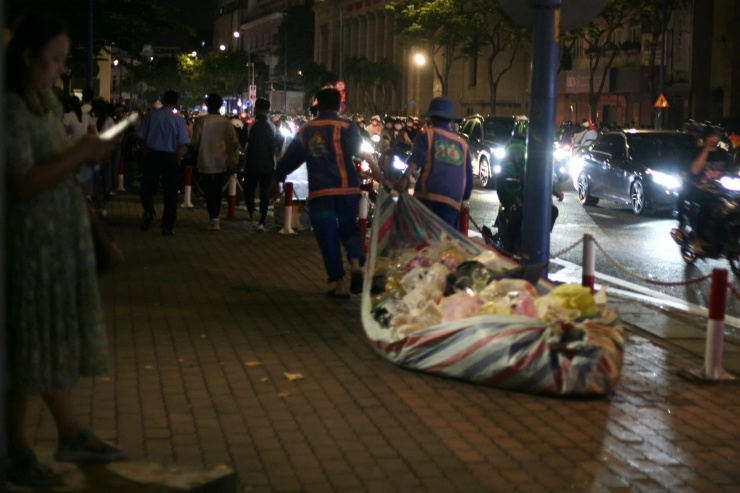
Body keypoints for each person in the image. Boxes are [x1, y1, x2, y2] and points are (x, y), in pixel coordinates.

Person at [4, 12, 124, 488]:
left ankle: (68, 431)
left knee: (43, 341)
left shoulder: (46, 103)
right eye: (55, 60)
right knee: (24, 345)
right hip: (25, 248)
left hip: (57, 248)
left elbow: (65, 177)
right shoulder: (10, 109)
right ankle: (17, 447)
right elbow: (20, 182)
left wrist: (97, 234)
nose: (60, 69)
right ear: (29, 57)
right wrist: (79, 154)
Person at [271, 88, 382, 298]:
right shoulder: (347, 126)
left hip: (321, 193)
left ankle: (339, 285)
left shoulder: (307, 130)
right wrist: (376, 171)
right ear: (339, 106)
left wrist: (277, 177)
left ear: (318, 106)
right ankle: (357, 264)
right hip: (347, 189)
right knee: (350, 229)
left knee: (328, 236)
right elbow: (362, 151)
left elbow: (291, 159)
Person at [393, 97, 474, 228]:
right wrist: (462, 198)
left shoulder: (427, 135)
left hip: (428, 198)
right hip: (452, 203)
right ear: (450, 120)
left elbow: (416, 160)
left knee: (422, 239)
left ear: (432, 118)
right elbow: (468, 181)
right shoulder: (462, 144)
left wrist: (404, 178)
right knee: (446, 242)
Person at [495, 124, 564, 253]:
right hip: (515, 191)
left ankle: (513, 242)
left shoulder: (510, 146)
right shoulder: (521, 149)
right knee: (550, 210)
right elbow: (532, 172)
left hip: (507, 191)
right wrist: (554, 190)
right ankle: (532, 242)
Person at [136, 90, 190, 236]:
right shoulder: (178, 120)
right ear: (176, 103)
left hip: (153, 155)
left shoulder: (152, 116)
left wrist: (145, 153)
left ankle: (149, 211)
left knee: (147, 188)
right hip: (170, 157)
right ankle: (167, 225)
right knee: (170, 193)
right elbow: (181, 144)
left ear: (163, 100)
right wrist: (178, 159)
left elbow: (141, 138)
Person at [191, 93, 241, 231]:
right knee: (218, 189)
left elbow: (195, 142)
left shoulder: (201, 121)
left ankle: (213, 217)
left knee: (208, 190)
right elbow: (233, 143)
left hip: (205, 159)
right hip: (222, 160)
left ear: (207, 105)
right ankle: (216, 217)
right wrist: (233, 160)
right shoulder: (226, 122)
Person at [685, 125, 733, 256]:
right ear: (706, 137)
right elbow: (694, 170)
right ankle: (699, 238)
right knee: (707, 204)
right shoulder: (697, 151)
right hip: (701, 188)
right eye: (712, 136)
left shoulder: (723, 154)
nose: (715, 139)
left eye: (717, 136)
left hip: (720, 187)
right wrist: (706, 150)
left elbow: (730, 171)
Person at [244, 98, 285, 231]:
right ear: (268, 111)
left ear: (255, 109)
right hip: (268, 165)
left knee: (248, 192)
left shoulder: (249, 126)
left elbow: (244, 145)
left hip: (251, 165)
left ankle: (253, 212)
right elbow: (280, 145)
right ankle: (262, 222)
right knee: (264, 195)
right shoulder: (273, 127)